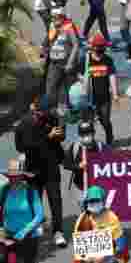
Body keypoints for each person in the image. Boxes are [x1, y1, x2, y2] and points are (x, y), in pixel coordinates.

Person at [13, 102, 65, 249]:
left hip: (51, 166)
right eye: (39, 112)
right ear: (33, 109)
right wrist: (48, 137)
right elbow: (23, 147)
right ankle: (36, 228)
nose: (42, 115)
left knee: (55, 199)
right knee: (36, 201)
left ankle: (58, 231)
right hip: (33, 169)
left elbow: (60, 138)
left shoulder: (53, 118)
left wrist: (60, 135)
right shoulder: (24, 124)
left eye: (45, 112)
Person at [0, 156, 45, 263]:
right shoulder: (4, 189)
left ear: (22, 176)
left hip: (29, 237)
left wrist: (23, 232)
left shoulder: (31, 191)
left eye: (16, 176)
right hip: (9, 236)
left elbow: (40, 215)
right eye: (11, 176)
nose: (13, 179)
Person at [71, 185, 129, 263]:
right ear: (87, 202)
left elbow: (120, 240)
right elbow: (81, 246)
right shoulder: (82, 219)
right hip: (89, 257)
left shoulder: (111, 217)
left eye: (97, 200)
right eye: (92, 201)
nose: (94, 203)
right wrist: (89, 258)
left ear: (103, 201)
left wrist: (109, 253)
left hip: (110, 255)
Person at [41, 4, 79, 112]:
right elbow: (49, 41)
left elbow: (76, 45)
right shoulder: (53, 26)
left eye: (56, 17)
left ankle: (67, 110)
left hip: (66, 63)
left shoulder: (69, 27)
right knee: (50, 88)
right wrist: (44, 50)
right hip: (54, 63)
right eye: (52, 17)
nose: (54, 19)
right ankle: (51, 110)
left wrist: (71, 63)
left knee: (67, 89)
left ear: (62, 17)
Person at [84, 35, 117, 145]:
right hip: (90, 98)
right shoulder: (86, 60)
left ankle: (110, 139)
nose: (103, 50)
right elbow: (79, 74)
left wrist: (115, 94)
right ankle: (91, 143)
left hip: (105, 97)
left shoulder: (108, 60)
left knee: (105, 121)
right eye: (100, 48)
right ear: (93, 48)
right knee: (90, 123)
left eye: (103, 48)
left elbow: (112, 76)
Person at [65, 121, 105, 196]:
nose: (86, 136)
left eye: (88, 133)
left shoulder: (100, 146)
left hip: (98, 187)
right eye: (83, 134)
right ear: (79, 135)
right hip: (80, 188)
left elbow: (112, 159)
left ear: (93, 133)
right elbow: (66, 164)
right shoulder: (75, 147)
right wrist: (78, 166)